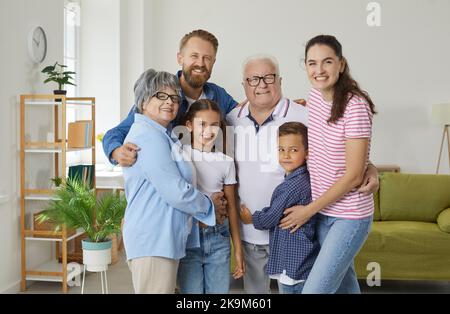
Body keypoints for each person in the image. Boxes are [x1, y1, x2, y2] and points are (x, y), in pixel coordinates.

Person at [228, 54, 379, 294]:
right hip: (251, 233)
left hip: (300, 232)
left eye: (268, 77)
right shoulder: (230, 120)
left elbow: (342, 148)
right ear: (244, 85)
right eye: (253, 79)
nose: (262, 84)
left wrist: (369, 167)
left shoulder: (305, 114)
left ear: (280, 80)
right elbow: (212, 162)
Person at [103, 29, 234, 224]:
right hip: (174, 211)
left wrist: (287, 106)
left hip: (207, 209)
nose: (200, 63)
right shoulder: (160, 95)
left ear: (213, 62)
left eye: (207, 58)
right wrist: (115, 151)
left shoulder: (217, 95)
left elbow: (245, 114)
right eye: (194, 56)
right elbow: (118, 132)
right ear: (180, 57)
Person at [280, 35, 376, 294]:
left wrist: (308, 210)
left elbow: (354, 175)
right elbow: (337, 152)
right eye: (312, 63)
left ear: (341, 64)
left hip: (349, 216)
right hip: (323, 213)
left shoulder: (355, 106)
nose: (319, 70)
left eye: (327, 62)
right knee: (345, 287)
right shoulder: (314, 98)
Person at [122, 69, 217, 293]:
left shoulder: (164, 134)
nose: (170, 102)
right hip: (153, 239)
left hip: (162, 239)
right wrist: (210, 206)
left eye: (174, 97)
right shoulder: (147, 135)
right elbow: (175, 190)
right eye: (161, 96)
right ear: (144, 101)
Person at [240, 122, 319, 294]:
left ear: (307, 153)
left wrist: (251, 218)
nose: (286, 155)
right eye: (281, 149)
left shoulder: (291, 187)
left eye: (293, 150)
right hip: (302, 257)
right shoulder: (303, 179)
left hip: (294, 261)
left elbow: (270, 218)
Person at [176, 99, 245, 294]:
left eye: (214, 124)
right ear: (189, 125)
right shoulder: (181, 155)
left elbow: (231, 206)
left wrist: (238, 249)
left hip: (219, 237)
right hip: (189, 238)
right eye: (202, 124)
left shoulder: (226, 162)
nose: (209, 131)